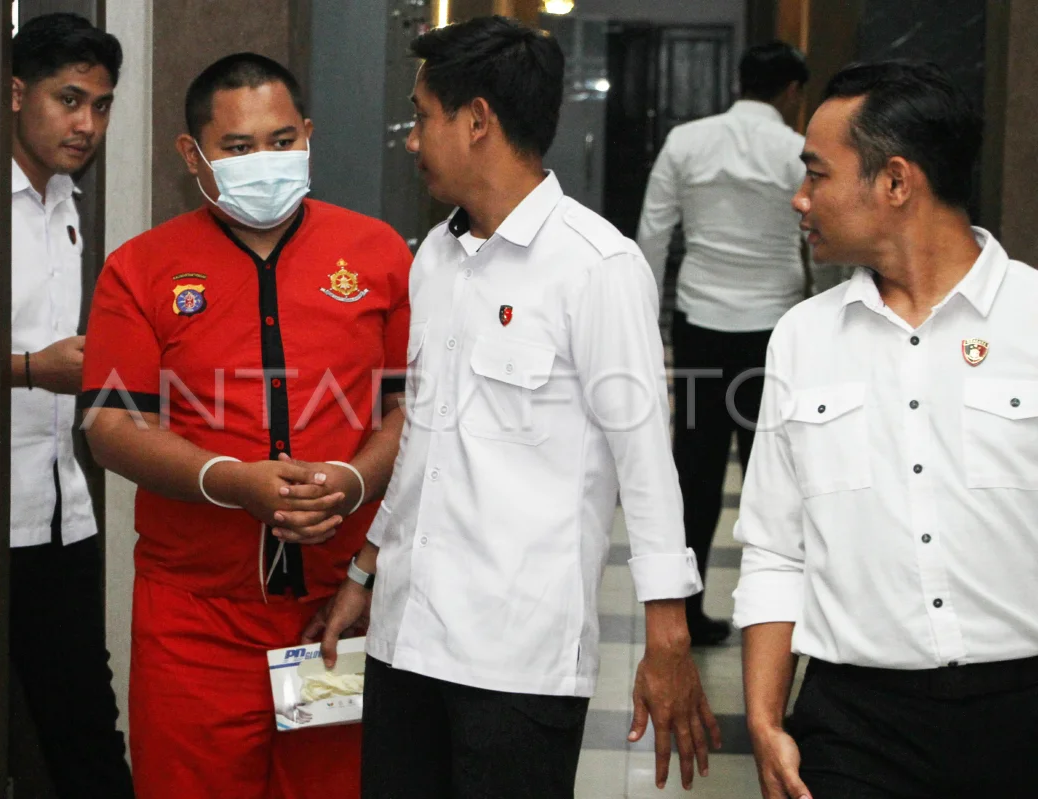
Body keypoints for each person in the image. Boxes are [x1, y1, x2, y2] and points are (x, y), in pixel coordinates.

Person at [319, 17, 719, 798]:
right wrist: (365, 569)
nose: (411, 140)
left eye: (422, 117)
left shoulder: (597, 267)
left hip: (515, 658)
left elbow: (646, 464)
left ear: (477, 121)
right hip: (405, 636)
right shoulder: (435, 258)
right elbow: (424, 442)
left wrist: (667, 632)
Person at [78, 53, 412, 799]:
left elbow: (411, 412)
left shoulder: (378, 254)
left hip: (338, 613)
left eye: (282, 140)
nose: (265, 160)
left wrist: (354, 479)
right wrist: (230, 481)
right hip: (194, 621)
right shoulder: (141, 269)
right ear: (191, 153)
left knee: (329, 788)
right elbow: (112, 427)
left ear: (308, 134)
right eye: (237, 147)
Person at [734, 60, 1038, 799]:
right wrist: (765, 720)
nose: (801, 198)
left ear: (896, 181)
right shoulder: (803, 338)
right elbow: (775, 547)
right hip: (854, 723)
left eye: (817, 174)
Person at [637, 41, 810, 646]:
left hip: (701, 322)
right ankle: (779, 619)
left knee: (696, 468)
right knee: (777, 472)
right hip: (775, 326)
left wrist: (644, 321)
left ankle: (686, 608)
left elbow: (653, 231)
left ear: (740, 81)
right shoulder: (797, 150)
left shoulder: (686, 141)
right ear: (792, 91)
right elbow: (819, 234)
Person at [8, 14, 134, 798]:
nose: (87, 123)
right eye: (69, 99)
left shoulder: (66, 201)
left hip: (63, 506)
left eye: (102, 104)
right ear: (16, 93)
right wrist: (32, 368)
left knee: (86, 727)